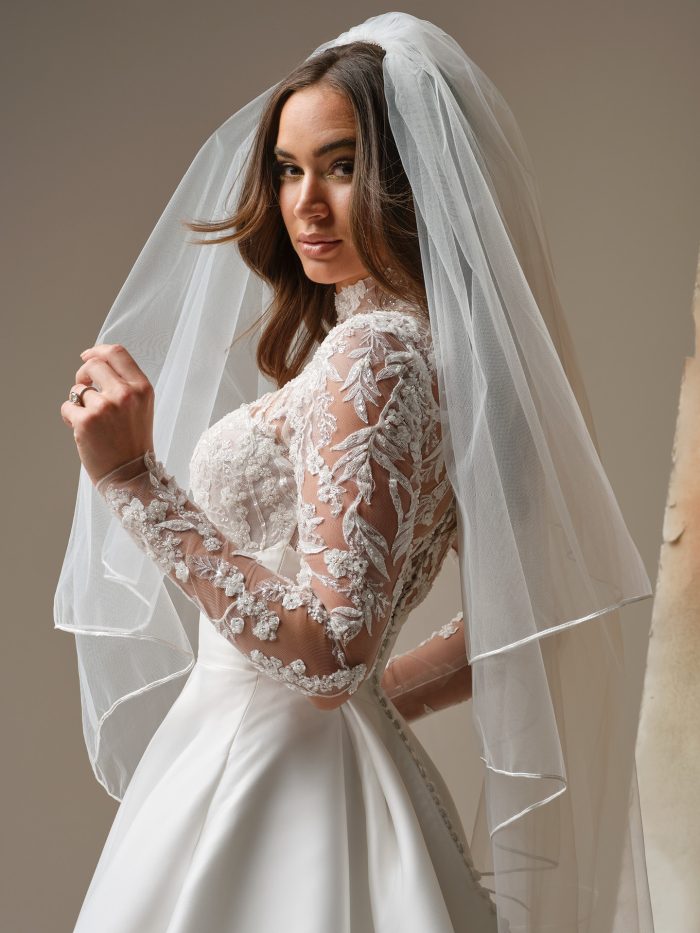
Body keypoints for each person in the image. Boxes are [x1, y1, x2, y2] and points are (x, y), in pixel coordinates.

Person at [56, 13, 654, 932]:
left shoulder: (370, 357)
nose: (305, 203)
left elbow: (333, 650)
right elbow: (503, 617)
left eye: (339, 165)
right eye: (289, 169)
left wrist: (135, 480)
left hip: (269, 784)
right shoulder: (444, 359)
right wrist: (373, 698)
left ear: (408, 180)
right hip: (330, 769)